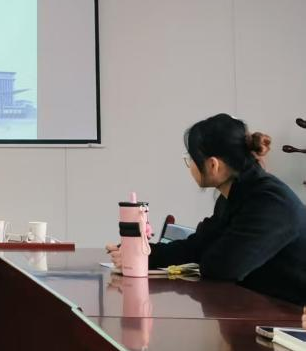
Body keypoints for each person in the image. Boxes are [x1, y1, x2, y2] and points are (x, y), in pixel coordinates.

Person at [107, 114, 306, 306]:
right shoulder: (234, 195)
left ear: (213, 165)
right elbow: (197, 245)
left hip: (292, 316)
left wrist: (207, 252)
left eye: (191, 159)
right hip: (261, 306)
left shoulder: (270, 202)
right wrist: (140, 255)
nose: (190, 166)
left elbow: (222, 267)